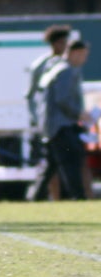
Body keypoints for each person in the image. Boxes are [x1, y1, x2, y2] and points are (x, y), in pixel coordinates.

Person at [26, 40, 91, 201]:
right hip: (61, 126)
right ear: (74, 53)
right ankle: (78, 197)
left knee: (50, 166)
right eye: (82, 55)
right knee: (71, 163)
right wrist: (78, 114)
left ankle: (35, 198)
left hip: (51, 126)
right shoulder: (66, 70)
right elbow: (63, 99)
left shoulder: (55, 68)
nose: (84, 59)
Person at [26, 24, 71, 125]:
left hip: (67, 121)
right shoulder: (40, 66)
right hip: (48, 120)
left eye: (65, 43)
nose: (64, 46)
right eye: (61, 43)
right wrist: (37, 119)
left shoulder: (69, 65)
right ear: (53, 44)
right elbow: (32, 94)